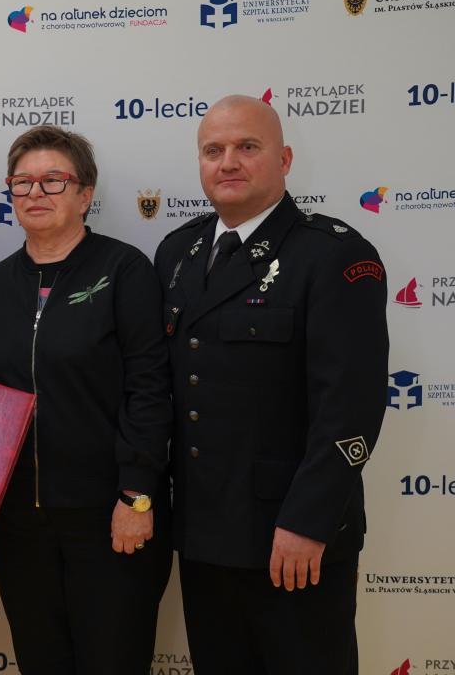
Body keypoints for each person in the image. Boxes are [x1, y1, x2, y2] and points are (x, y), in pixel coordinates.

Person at [153, 95, 389, 674]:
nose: (228, 162)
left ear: (283, 160)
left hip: (293, 536)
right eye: (213, 150)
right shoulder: (178, 253)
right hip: (205, 533)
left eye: (247, 147)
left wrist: (308, 521)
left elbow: (350, 407)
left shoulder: (333, 255)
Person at [0, 125, 172, 673]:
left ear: (85, 194)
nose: (35, 192)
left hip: (109, 517)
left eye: (53, 180)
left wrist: (137, 495)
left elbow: (149, 387)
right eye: (23, 182)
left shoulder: (124, 270)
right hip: (19, 524)